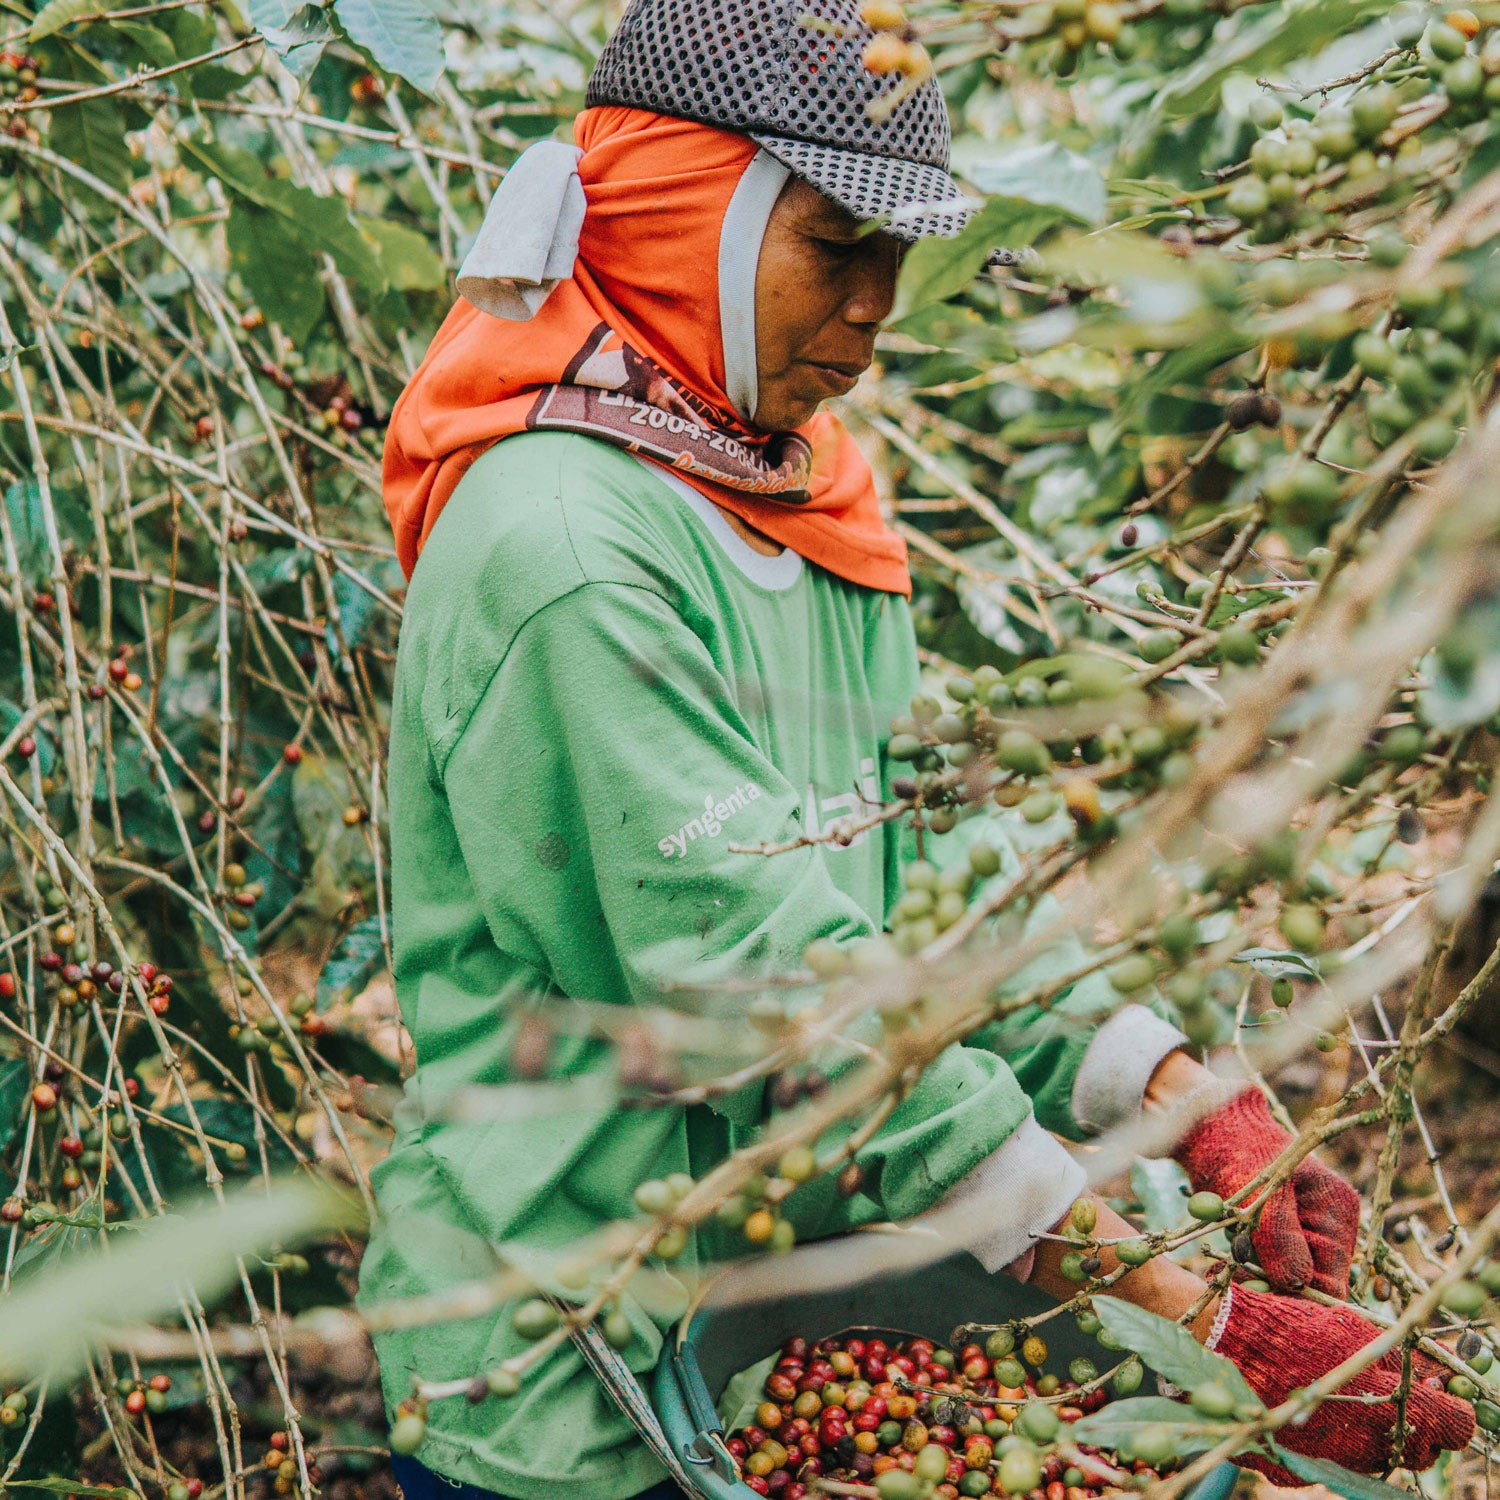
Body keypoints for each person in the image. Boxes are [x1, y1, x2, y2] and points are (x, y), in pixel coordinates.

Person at [362, 3, 1475, 1497]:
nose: (880, 306)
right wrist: (1198, 1311)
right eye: (837, 246)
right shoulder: (564, 547)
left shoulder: (798, 491)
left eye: (899, 255)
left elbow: (905, 868)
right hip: (569, 1374)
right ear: (692, 222)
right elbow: (764, 973)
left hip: (758, 1308)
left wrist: (1190, 1096)